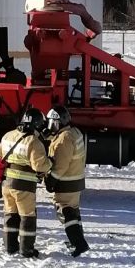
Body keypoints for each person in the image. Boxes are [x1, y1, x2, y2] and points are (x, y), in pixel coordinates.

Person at [0, 108, 51, 258]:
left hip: (7, 184)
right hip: (24, 186)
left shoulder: (8, 135)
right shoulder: (33, 141)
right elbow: (39, 165)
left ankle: (10, 247)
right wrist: (50, 163)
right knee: (27, 217)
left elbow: (0, 154)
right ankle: (26, 250)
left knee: (10, 214)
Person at [44, 105, 89, 257]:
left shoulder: (64, 138)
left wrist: (51, 180)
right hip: (75, 180)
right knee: (74, 212)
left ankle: (78, 244)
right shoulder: (73, 132)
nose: (50, 126)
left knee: (65, 212)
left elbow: (61, 163)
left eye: (52, 123)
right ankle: (78, 240)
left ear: (58, 122)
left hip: (66, 182)